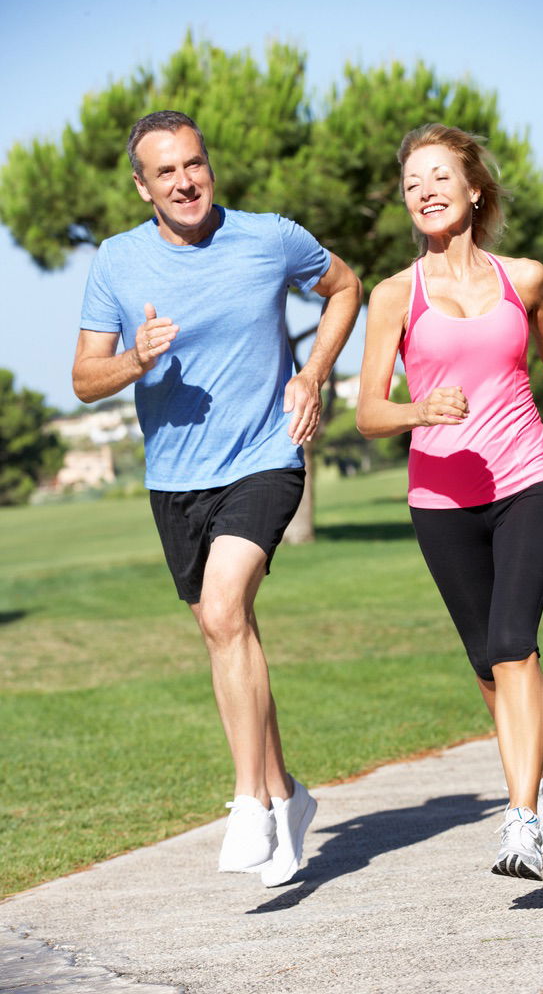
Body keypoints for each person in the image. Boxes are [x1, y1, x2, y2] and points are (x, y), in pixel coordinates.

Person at [72, 110, 362, 888]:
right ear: (142, 187)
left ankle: (247, 805)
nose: (183, 181)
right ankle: (287, 796)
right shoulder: (116, 262)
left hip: (266, 456)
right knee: (225, 631)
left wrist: (312, 373)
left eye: (192, 164)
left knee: (227, 610)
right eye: (164, 172)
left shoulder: (268, 236)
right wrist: (135, 357)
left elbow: (343, 287)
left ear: (209, 167)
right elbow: (83, 379)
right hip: (175, 479)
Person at [356, 123, 543, 881]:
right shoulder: (394, 295)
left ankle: (522, 822)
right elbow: (366, 411)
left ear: (472, 189)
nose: (422, 191)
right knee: (486, 666)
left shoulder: (521, 278)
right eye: (410, 184)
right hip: (439, 502)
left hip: (527, 481)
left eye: (437, 177)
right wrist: (416, 413)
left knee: (512, 643)